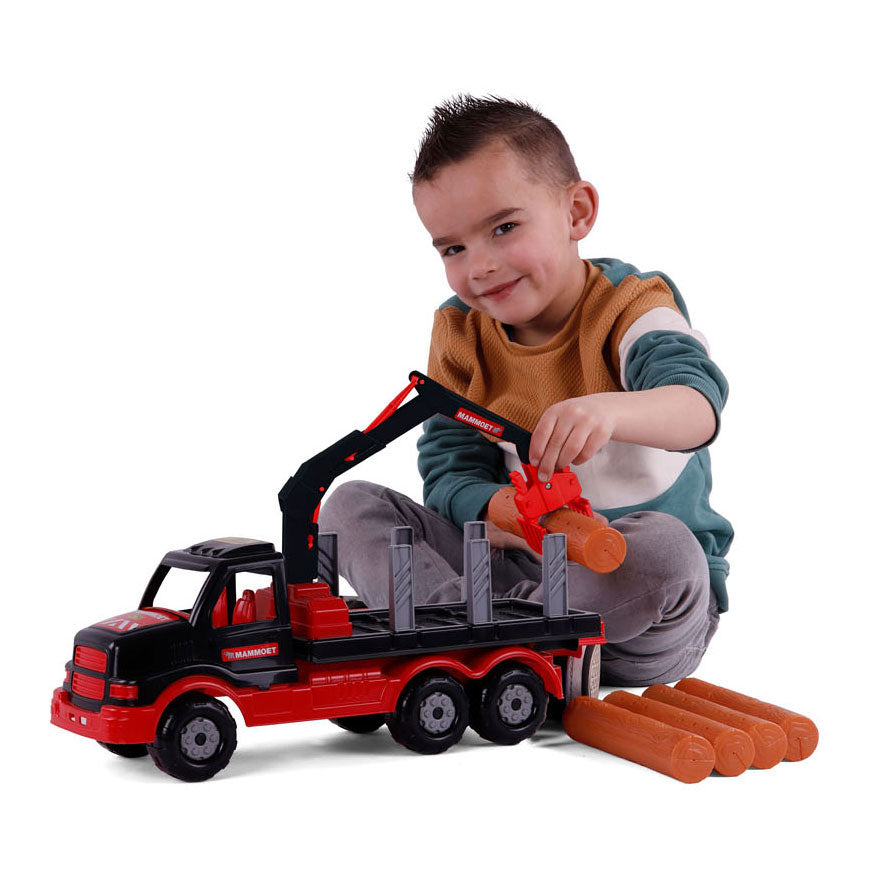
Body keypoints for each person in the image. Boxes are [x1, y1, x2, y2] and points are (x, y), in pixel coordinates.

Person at [320, 95, 732, 687]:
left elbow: (697, 407)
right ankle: (469, 632)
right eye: (454, 248)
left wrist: (609, 411)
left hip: (632, 614)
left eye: (504, 228)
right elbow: (449, 476)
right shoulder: (461, 331)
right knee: (347, 505)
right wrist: (500, 508)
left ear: (577, 212)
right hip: (514, 578)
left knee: (668, 551)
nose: (480, 266)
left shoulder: (631, 307)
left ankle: (487, 638)